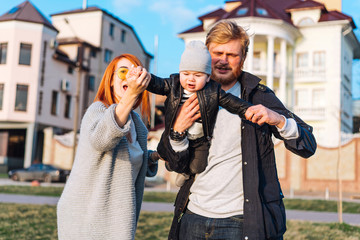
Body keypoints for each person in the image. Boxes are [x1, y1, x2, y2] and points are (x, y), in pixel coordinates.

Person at [157, 21, 317, 240]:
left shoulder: (258, 96)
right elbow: (174, 162)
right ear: (206, 54)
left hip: (241, 221)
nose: (223, 60)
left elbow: (308, 145)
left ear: (243, 58)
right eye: (218, 53)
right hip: (192, 215)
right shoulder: (183, 94)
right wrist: (177, 131)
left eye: (232, 55)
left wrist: (279, 120)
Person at [57, 54, 159, 240]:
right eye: (122, 72)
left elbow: (129, 161)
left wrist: (155, 156)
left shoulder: (137, 124)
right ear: (111, 81)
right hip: (85, 217)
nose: (129, 77)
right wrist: (132, 93)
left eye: (135, 72)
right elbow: (103, 140)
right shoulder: (97, 111)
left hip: (116, 219)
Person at [141, 40, 253, 187]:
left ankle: (185, 172)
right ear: (180, 73)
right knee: (165, 152)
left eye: (198, 75)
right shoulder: (174, 84)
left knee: (198, 166)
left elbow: (232, 102)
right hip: (173, 133)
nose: (191, 79)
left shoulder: (213, 91)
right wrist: (144, 77)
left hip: (199, 139)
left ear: (207, 77)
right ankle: (157, 157)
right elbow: (158, 83)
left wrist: (248, 109)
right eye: (186, 74)